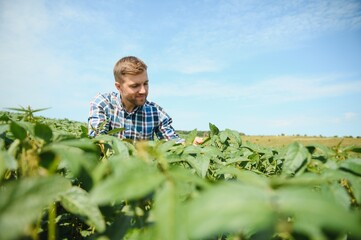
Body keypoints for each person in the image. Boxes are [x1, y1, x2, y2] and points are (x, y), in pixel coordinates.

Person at [88, 56, 202, 144]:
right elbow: (97, 140)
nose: (143, 90)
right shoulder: (103, 104)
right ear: (119, 87)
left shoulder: (155, 112)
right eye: (135, 86)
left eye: (145, 83)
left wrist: (190, 144)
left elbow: (172, 143)